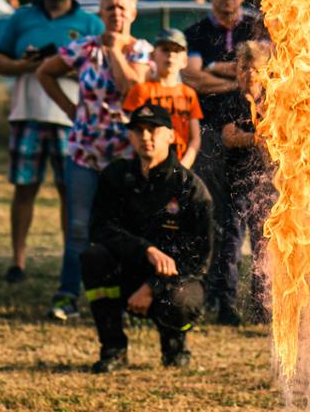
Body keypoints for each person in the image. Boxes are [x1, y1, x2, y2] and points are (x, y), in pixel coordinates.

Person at [40, 0, 153, 320]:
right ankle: (67, 295)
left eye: (122, 7)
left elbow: (133, 90)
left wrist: (116, 50)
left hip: (124, 155)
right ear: (100, 12)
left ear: (132, 13)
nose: (116, 12)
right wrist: (70, 109)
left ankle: (122, 298)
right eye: (110, 7)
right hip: (84, 153)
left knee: (125, 227)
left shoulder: (140, 51)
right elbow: (45, 72)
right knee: (78, 226)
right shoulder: (84, 48)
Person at [0, 0, 101, 286]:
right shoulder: (22, 17)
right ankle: (18, 260)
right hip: (27, 114)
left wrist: (60, 66)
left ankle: (72, 260)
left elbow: (98, 67)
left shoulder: (89, 22)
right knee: (24, 189)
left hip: (70, 118)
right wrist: (25, 65)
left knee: (71, 192)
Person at [82, 104, 215, 373]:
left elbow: (198, 257)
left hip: (174, 279)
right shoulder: (116, 176)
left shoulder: (190, 188)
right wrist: (146, 250)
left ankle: (174, 345)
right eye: (138, 130)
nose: (146, 137)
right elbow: (100, 229)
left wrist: (153, 287)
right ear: (130, 137)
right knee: (94, 258)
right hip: (128, 269)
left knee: (181, 299)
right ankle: (114, 349)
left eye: (153, 130)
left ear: (170, 135)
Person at [182, 0, 269, 325]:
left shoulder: (256, 29)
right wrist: (233, 82)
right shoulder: (198, 33)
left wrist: (216, 69)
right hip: (213, 140)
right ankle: (223, 299)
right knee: (225, 227)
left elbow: (269, 65)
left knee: (263, 233)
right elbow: (192, 77)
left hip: (259, 168)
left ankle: (263, 301)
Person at [219, 40, 276, 322]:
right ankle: (226, 305)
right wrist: (255, 138)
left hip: (267, 184)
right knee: (231, 243)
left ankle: (260, 306)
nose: (250, 74)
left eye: (255, 68)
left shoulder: (273, 100)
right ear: (237, 71)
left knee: (263, 246)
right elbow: (228, 137)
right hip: (236, 182)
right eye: (244, 68)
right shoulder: (232, 101)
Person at [123, 30, 204, 168]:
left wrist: (184, 166)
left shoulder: (189, 94)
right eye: (165, 49)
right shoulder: (141, 90)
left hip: (181, 164)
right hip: (148, 164)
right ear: (153, 55)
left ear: (184, 60)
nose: (171, 54)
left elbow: (195, 138)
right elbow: (132, 131)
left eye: (177, 50)